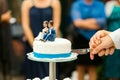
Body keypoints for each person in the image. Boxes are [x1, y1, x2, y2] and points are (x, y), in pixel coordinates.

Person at [21, 0, 61, 79]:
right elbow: (25, 25)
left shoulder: (55, 2)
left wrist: (48, 41)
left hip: (50, 46)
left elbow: (56, 24)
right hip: (32, 46)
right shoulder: (27, 3)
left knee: (49, 74)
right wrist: (35, 45)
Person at [70, 0, 106, 80]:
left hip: (96, 40)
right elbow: (77, 23)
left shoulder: (99, 4)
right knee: (80, 66)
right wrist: (95, 23)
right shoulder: (77, 4)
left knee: (93, 67)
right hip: (79, 39)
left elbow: (103, 21)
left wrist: (84, 23)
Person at [0, 0, 12, 79]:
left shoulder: (4, 2)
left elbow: (8, 17)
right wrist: (2, 18)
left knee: (6, 56)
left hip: (5, 33)